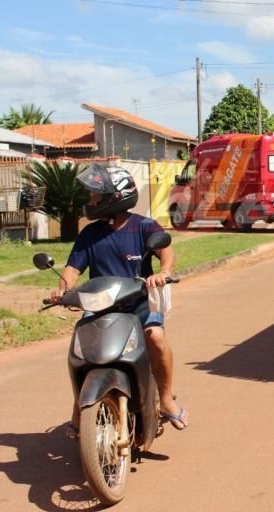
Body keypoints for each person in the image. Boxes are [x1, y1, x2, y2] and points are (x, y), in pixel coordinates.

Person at [49, 164, 189, 438]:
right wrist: (62, 291)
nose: (90, 201)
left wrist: (163, 273)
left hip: (139, 304)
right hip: (101, 306)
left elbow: (166, 251)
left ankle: (166, 398)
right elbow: (72, 270)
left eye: (95, 196)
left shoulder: (143, 226)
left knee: (156, 337)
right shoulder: (89, 234)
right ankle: (80, 409)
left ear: (115, 197)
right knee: (81, 352)